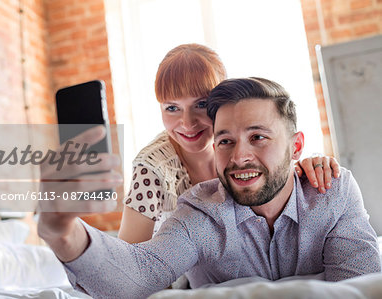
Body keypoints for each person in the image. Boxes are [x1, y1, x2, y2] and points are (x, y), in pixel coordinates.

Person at [38, 77, 381, 298]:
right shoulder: (200, 211)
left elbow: (360, 286)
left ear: (295, 147)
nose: (239, 156)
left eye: (258, 137)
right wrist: (62, 231)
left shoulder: (331, 193)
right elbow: (139, 276)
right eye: (225, 141)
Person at [119, 44, 340, 244]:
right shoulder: (151, 170)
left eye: (201, 104)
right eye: (172, 108)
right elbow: (128, 266)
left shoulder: (241, 146)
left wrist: (311, 165)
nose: (187, 123)